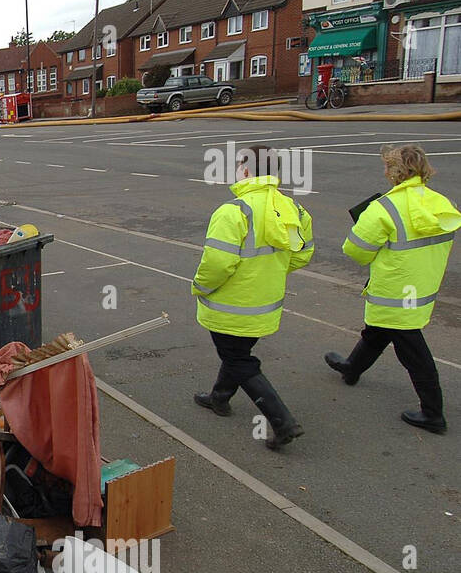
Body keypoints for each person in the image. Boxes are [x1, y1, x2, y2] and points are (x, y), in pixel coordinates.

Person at [325, 144, 459, 434]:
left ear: (395, 172)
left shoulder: (384, 207)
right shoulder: (439, 202)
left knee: (412, 351)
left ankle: (433, 414)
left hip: (395, 290)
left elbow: (356, 251)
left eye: (387, 166)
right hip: (422, 286)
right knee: (376, 331)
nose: (385, 171)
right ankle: (352, 368)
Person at [191, 144, 314, 449]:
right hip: (265, 305)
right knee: (237, 353)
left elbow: (218, 264)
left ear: (245, 170)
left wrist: (200, 287)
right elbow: (303, 255)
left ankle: (283, 422)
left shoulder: (234, 211)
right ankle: (219, 397)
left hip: (230, 306)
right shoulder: (294, 210)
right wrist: (271, 273)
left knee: (238, 358)